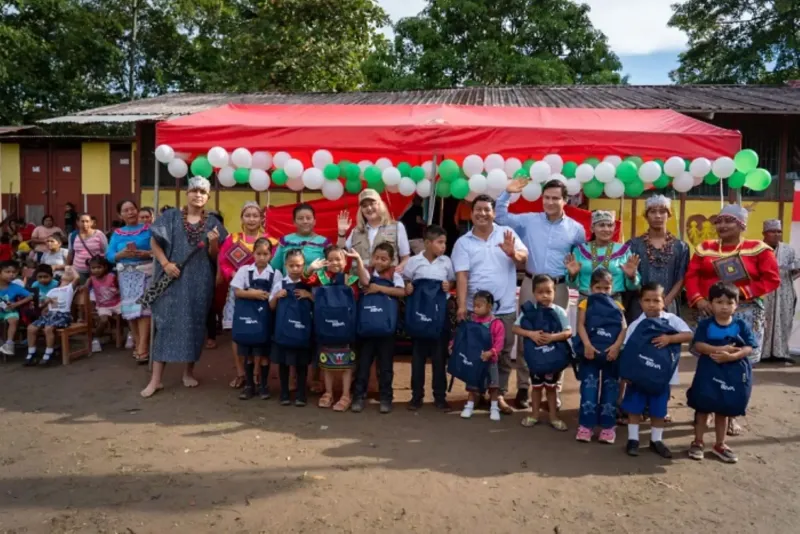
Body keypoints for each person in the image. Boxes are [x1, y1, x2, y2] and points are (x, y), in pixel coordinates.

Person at [684, 204, 780, 435]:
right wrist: (699, 300)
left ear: (742, 224)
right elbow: (692, 276)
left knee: (737, 365)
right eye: (719, 221)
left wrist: (740, 295)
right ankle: (706, 407)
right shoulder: (705, 248)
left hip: (745, 312)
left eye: (729, 221)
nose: (723, 225)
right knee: (709, 362)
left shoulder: (758, 249)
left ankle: (731, 414)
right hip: (708, 312)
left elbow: (771, 279)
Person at [499, 179, 586, 408]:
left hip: (558, 287)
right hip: (531, 283)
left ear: (565, 200)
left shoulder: (576, 229)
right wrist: (507, 194)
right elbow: (501, 217)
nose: (550, 202)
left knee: (557, 335)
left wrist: (574, 275)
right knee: (526, 334)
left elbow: (580, 260)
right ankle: (524, 387)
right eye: (546, 197)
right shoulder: (529, 220)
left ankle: (554, 390)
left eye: (555, 198)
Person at [141, 177, 227, 398]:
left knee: (194, 326)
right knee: (165, 325)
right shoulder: (170, 217)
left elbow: (215, 257)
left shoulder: (213, 223)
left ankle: (188, 372)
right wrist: (165, 264)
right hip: (171, 278)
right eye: (194, 190)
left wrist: (214, 243)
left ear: (208, 197)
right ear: (187, 193)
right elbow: (154, 242)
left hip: (199, 282)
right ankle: (156, 380)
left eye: (202, 192)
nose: (198, 195)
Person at [452, 194, 528, 414]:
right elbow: (462, 276)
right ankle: (475, 393)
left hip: (504, 308)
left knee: (502, 353)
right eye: (478, 209)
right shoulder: (463, 242)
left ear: (494, 213)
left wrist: (513, 253)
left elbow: (524, 257)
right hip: (475, 310)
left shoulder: (507, 233)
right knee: (475, 351)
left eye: (487, 209)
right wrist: (461, 306)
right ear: (471, 213)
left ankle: (499, 394)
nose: (482, 214)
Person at [621, 282, 693, 458]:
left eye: (656, 300)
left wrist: (670, 339)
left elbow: (689, 334)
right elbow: (627, 349)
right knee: (634, 409)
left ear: (664, 301)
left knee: (658, 410)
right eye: (647, 300)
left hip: (662, 377)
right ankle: (633, 439)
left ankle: (656, 440)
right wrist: (626, 374)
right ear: (640, 302)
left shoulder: (672, 320)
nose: (652, 304)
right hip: (638, 376)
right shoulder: (636, 324)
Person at [688, 282, 756, 464]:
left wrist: (732, 356)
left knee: (723, 409)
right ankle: (698, 441)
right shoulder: (705, 324)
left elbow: (749, 347)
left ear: (737, 305)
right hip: (708, 371)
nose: (724, 307)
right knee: (702, 406)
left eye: (729, 303)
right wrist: (719, 350)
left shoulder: (741, 325)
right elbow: (698, 345)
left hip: (732, 372)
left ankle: (720, 444)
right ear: (711, 303)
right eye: (719, 302)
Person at [306, 246, 370, 412]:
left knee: (347, 364)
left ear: (345, 261)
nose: (335, 263)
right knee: (326, 362)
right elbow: (305, 280)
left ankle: (346, 395)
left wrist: (358, 260)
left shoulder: (352, 279)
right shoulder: (321, 277)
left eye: (338, 259)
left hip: (346, 330)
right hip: (325, 328)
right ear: (326, 261)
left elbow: (366, 282)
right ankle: (328, 393)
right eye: (331, 260)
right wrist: (311, 268)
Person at [217, 202, 272, 387]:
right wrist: (232, 273)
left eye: (255, 215)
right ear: (242, 218)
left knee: (259, 330)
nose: (251, 219)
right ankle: (241, 373)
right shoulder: (232, 239)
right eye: (247, 215)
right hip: (238, 291)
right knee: (238, 331)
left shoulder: (270, 241)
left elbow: (275, 265)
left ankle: (256, 372)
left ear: (261, 219)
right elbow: (223, 262)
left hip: (261, 293)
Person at [402, 225, 455, 410]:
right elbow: (405, 279)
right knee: (418, 359)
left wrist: (449, 285)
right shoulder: (414, 261)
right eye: (439, 242)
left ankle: (440, 397)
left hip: (439, 316)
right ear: (427, 243)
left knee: (439, 358)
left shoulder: (446, 262)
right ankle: (416, 396)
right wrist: (408, 286)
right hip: (419, 314)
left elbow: (452, 280)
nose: (443, 246)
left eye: (445, 243)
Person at [352, 242, 406, 414]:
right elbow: (364, 281)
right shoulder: (367, 271)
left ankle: (386, 398)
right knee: (363, 364)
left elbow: (402, 292)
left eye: (384, 259)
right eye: (377, 258)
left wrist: (379, 289)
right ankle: (358, 397)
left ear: (391, 261)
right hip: (367, 328)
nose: (380, 262)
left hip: (387, 329)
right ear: (372, 257)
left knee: (386, 366)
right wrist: (359, 261)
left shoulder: (394, 274)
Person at [513, 274, 572, 431]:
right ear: (534, 293)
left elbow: (568, 332)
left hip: (553, 359)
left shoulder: (559, 311)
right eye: (540, 292)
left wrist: (553, 337)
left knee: (552, 388)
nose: (545, 295)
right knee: (536, 387)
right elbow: (515, 328)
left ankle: (553, 417)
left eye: (548, 291)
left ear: (554, 292)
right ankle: (534, 415)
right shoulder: (528, 310)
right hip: (536, 360)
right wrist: (531, 334)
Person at [575, 268, 627, 444]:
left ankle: (608, 427)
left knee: (610, 390)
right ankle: (585, 426)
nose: (602, 292)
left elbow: (624, 328)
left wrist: (616, 347)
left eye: (606, 288)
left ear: (612, 288)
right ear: (591, 288)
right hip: (589, 354)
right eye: (598, 288)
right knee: (588, 389)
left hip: (611, 355)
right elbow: (580, 325)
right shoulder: (585, 304)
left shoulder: (618, 306)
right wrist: (587, 345)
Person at [231, 237, 280, 401]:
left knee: (264, 354)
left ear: (271, 255)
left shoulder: (275, 274)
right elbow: (237, 292)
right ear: (253, 254)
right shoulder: (244, 271)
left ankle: (264, 385)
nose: (262, 257)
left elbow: (275, 296)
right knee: (248, 354)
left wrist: (256, 293)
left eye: (265, 254)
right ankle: (249, 385)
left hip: (265, 319)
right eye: (258, 254)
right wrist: (255, 294)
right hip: (246, 318)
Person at [625, 195, 689, 320]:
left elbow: (681, 278)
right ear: (646, 215)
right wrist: (647, 300)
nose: (658, 216)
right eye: (653, 212)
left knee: (668, 332)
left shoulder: (681, 247)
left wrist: (666, 301)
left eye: (662, 211)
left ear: (669, 215)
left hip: (668, 304)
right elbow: (631, 275)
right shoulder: (633, 245)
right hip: (640, 305)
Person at [107, 200, 153, 364]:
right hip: (126, 274)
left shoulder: (149, 230)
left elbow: (159, 249)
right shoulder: (117, 234)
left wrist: (147, 253)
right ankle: (138, 343)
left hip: (146, 272)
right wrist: (120, 255)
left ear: (137, 210)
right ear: (120, 215)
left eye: (132, 209)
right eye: (126, 210)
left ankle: (143, 347)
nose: (130, 212)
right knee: (131, 310)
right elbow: (109, 255)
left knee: (144, 309)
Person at [270, 248, 314, 407]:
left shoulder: (309, 285)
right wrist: (276, 296)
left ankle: (301, 394)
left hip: (302, 332)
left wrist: (309, 296)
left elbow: (318, 305)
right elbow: (271, 307)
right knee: (283, 363)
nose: (295, 269)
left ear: (304, 266)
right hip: (283, 332)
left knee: (302, 364)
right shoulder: (279, 284)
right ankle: (284, 393)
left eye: (299, 265)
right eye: (291, 265)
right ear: (285, 266)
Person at [565, 210, 641, 301]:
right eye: (601, 225)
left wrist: (631, 277)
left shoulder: (623, 250)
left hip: (614, 300)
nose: (606, 229)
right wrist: (572, 276)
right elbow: (572, 285)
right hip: (586, 300)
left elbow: (633, 287)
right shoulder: (579, 250)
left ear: (614, 228)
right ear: (592, 228)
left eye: (610, 225)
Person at [458, 290, 505, 421]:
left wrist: (491, 352)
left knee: (493, 386)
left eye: (479, 306)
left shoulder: (496, 323)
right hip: (475, 360)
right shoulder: (471, 320)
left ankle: (494, 407)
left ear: (489, 306)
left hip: (491, 360)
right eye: (474, 306)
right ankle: (469, 406)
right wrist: (453, 345)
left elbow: (499, 342)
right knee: (472, 385)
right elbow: (463, 336)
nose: (475, 309)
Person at [338, 188, 411, 271]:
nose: (369, 208)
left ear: (380, 205)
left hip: (385, 278)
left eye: (372, 204)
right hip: (358, 278)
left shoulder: (396, 227)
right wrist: (341, 233)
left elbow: (405, 257)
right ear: (361, 210)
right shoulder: (356, 231)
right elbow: (340, 253)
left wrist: (398, 269)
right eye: (364, 206)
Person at [24, 266, 80, 366]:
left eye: (69, 275)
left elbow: (77, 277)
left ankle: (49, 352)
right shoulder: (53, 291)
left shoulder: (69, 288)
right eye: (65, 274)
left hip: (62, 315)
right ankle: (32, 352)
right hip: (50, 314)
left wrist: (70, 268)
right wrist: (44, 303)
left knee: (48, 328)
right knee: (31, 328)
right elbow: (43, 306)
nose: (67, 274)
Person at [761, 219, 799, 363]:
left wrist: (793, 269)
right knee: (763, 321)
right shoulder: (758, 249)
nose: (776, 234)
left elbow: (795, 269)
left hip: (784, 291)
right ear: (764, 233)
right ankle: (762, 353)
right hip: (764, 291)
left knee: (784, 320)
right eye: (772, 231)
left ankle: (781, 352)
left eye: (779, 231)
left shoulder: (789, 250)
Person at [85, 255, 121, 353]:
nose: (96, 270)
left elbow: (119, 287)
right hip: (103, 306)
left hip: (117, 303)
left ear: (105, 267)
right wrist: (83, 288)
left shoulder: (112, 277)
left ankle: (131, 335)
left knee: (128, 315)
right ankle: (96, 339)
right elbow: (84, 289)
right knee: (103, 320)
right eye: (93, 268)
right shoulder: (91, 279)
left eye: (99, 267)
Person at [0, 260, 32, 356]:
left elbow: (30, 296)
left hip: (9, 311)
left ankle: (9, 343)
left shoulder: (15, 287)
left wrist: (16, 304)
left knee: (14, 319)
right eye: (7, 272)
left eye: (14, 272)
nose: (11, 274)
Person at [68, 213, 109, 284]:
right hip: (79, 272)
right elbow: (70, 253)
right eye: (82, 221)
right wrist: (68, 267)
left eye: (87, 221)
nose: (85, 224)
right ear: (77, 222)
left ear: (91, 222)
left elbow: (107, 251)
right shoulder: (73, 235)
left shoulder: (99, 234)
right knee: (82, 289)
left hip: (97, 271)